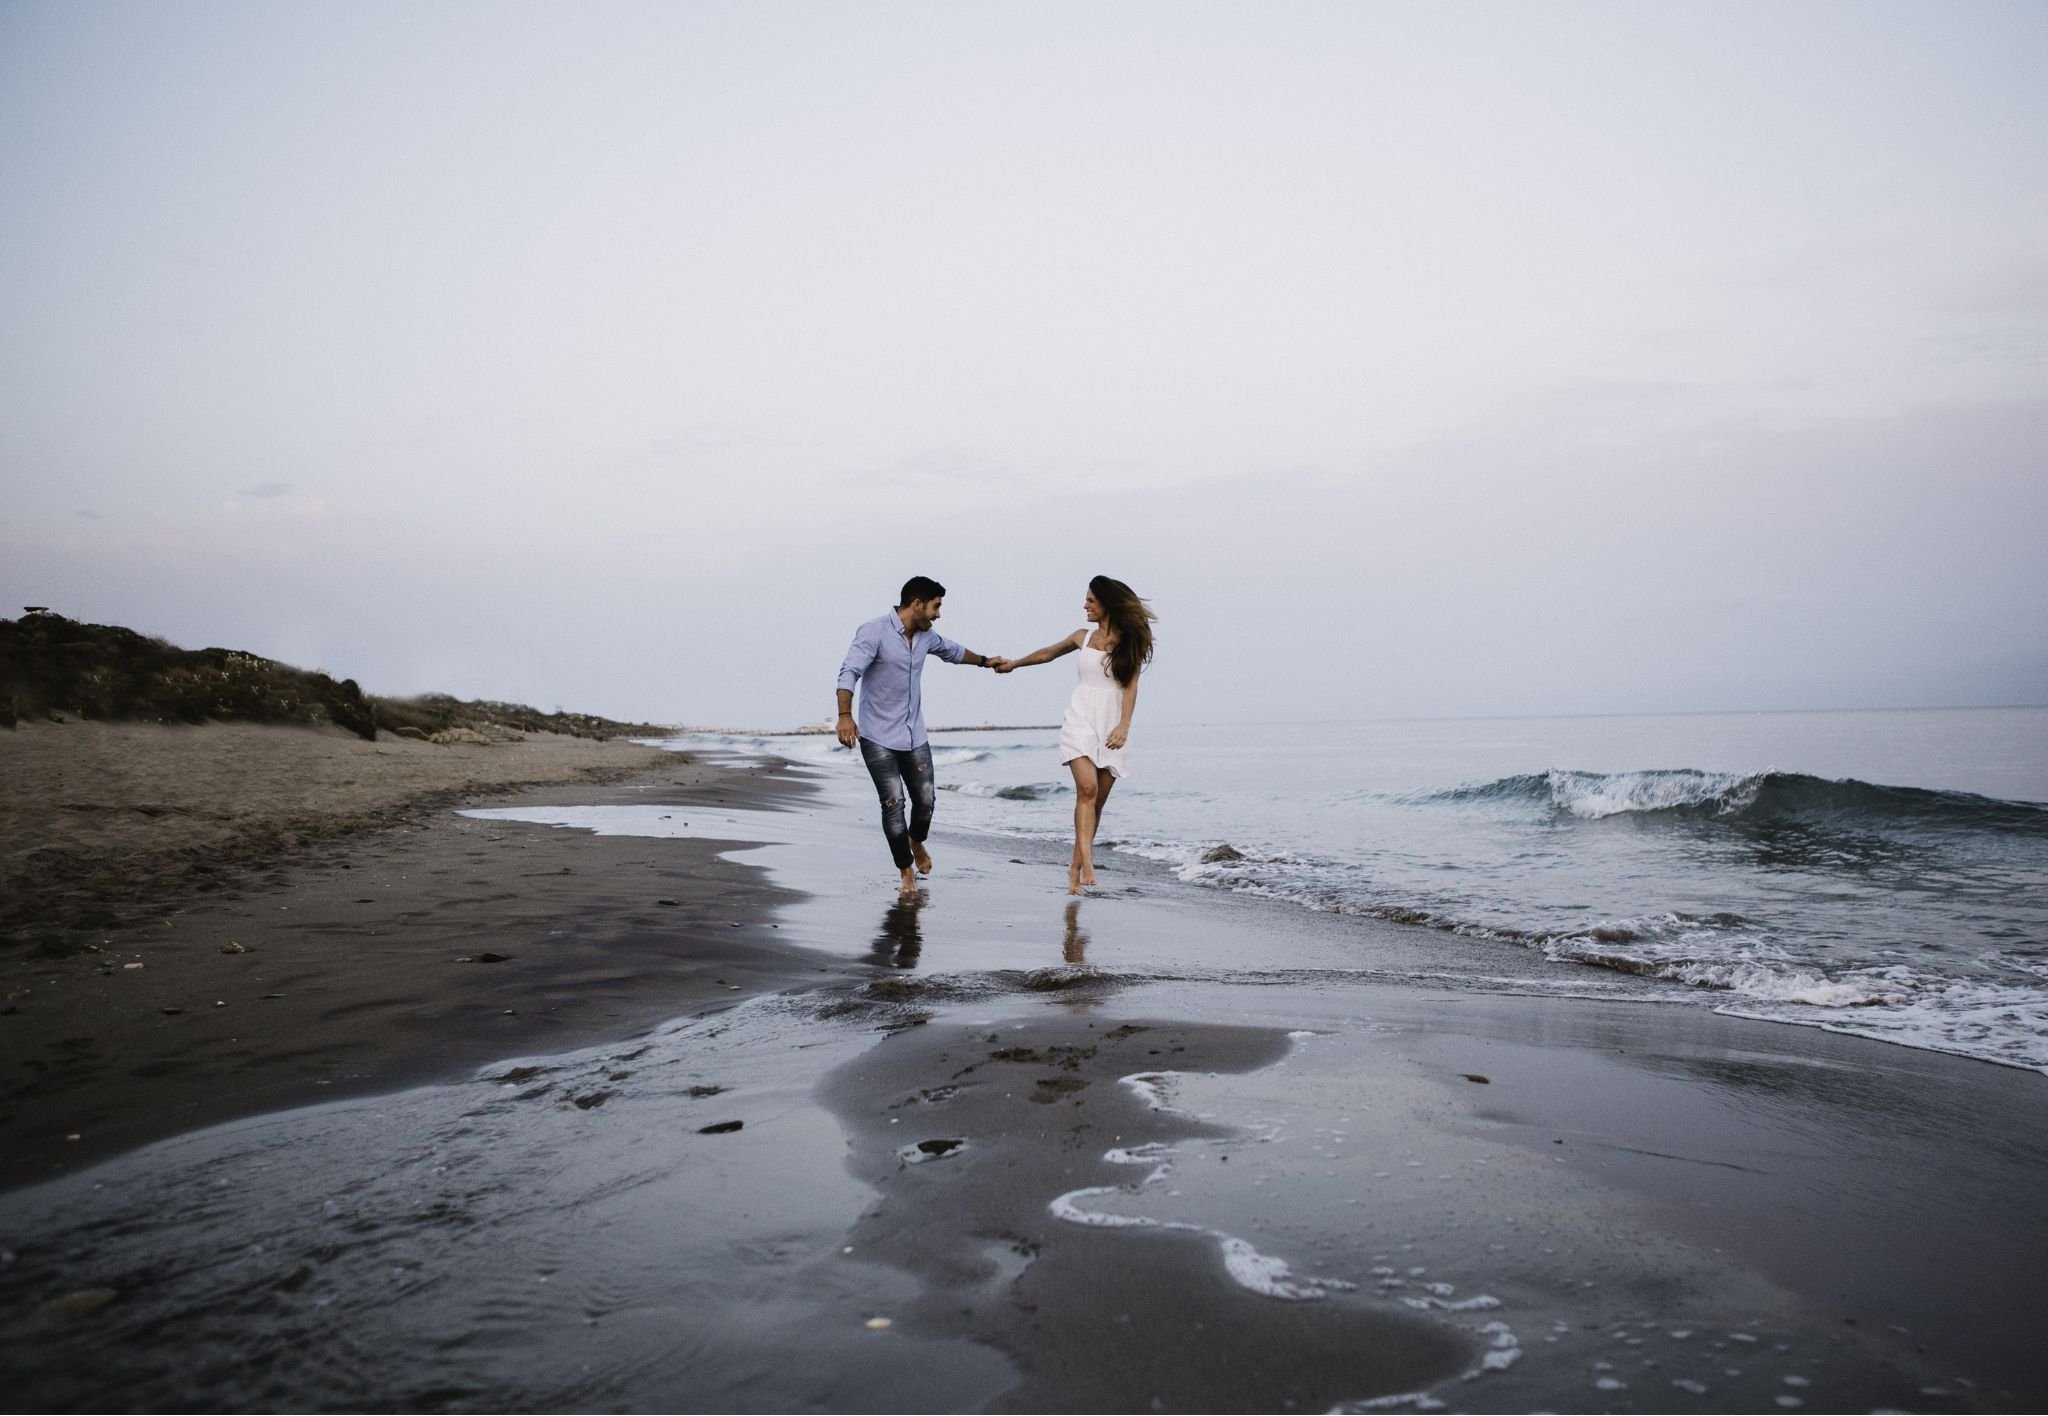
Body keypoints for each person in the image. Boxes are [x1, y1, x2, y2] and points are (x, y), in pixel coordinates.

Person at [992, 575, 1156, 894]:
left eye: (1091, 601)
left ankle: (1075, 868)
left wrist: (1124, 726)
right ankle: (1089, 863)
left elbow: (1132, 686)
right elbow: (1047, 654)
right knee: (1086, 788)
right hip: (1080, 717)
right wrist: (1014, 664)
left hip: (1111, 725)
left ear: (1107, 604)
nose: (1085, 605)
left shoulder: (1130, 642)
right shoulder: (1082, 637)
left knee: (1096, 804)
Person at [837, 576, 1000, 893]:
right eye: (936, 606)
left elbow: (953, 651)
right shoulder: (874, 631)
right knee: (893, 803)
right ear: (917, 604)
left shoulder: (926, 637)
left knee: (925, 801)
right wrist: (845, 716)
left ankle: (917, 841)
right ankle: (905, 871)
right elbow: (849, 672)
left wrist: (985, 661)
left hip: (914, 735)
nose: (938, 614)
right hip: (877, 736)